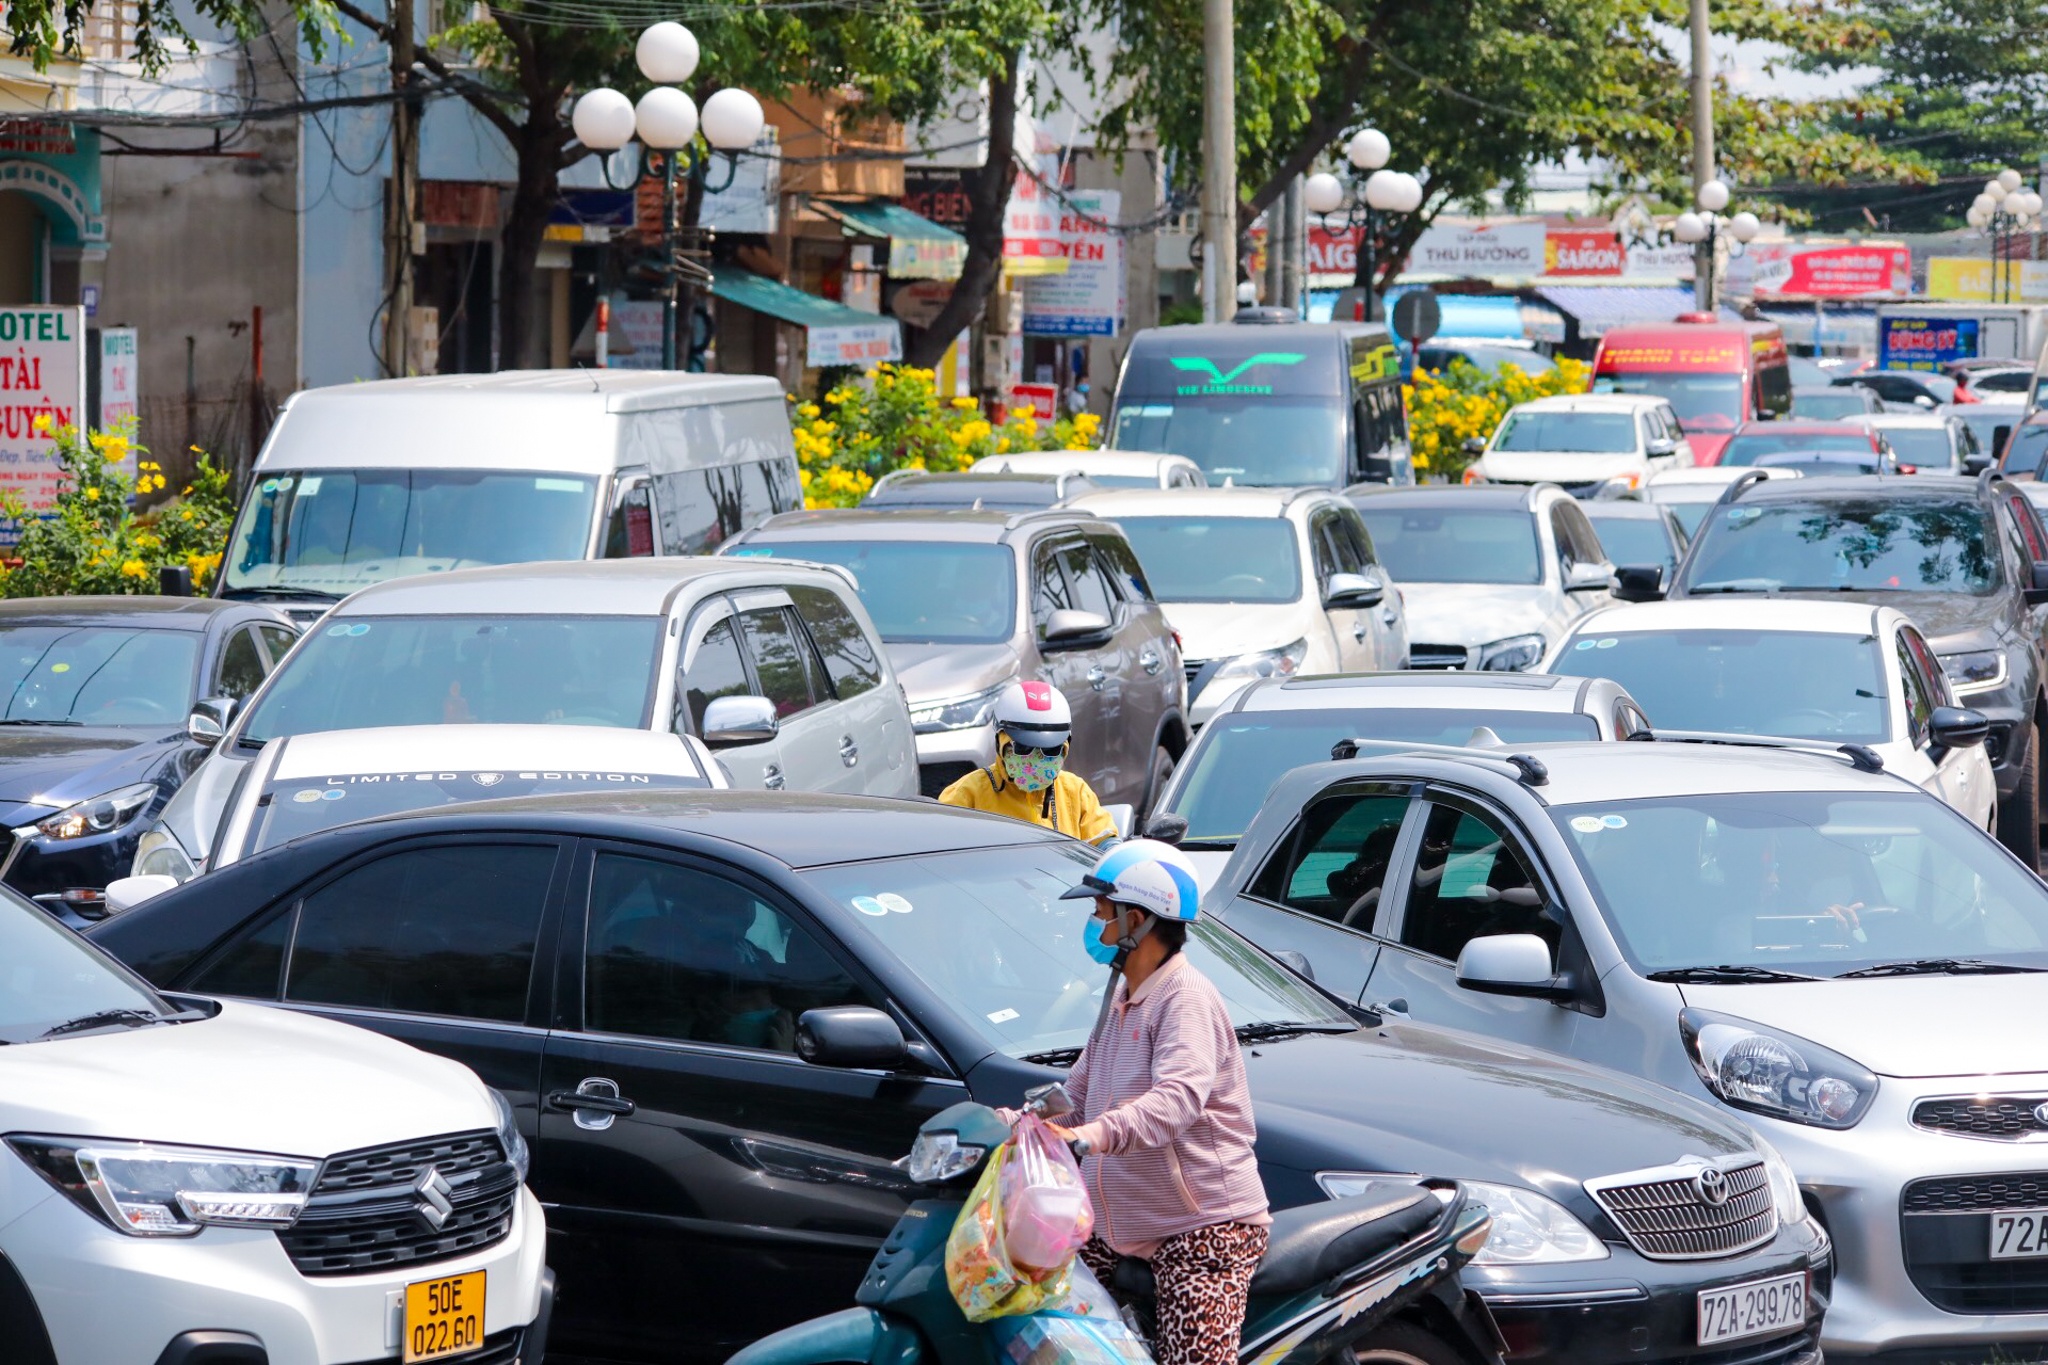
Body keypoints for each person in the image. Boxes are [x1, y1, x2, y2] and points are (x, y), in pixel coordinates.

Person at [1046, 840, 1270, 1365]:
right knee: (1044, 1330)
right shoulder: (1121, 997)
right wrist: (1011, 1125)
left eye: (1102, 913)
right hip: (1114, 1225)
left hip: (1201, 1230)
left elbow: (1176, 1101)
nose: (1095, 926)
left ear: (1137, 920)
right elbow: (1073, 1099)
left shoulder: (1184, 998)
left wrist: (1090, 1136)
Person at [938, 680, 1118, 844]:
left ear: (1065, 746)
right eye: (1024, 748)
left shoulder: (1075, 792)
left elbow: (1105, 844)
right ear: (1001, 742)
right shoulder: (966, 795)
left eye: (1050, 750)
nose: (1036, 761)